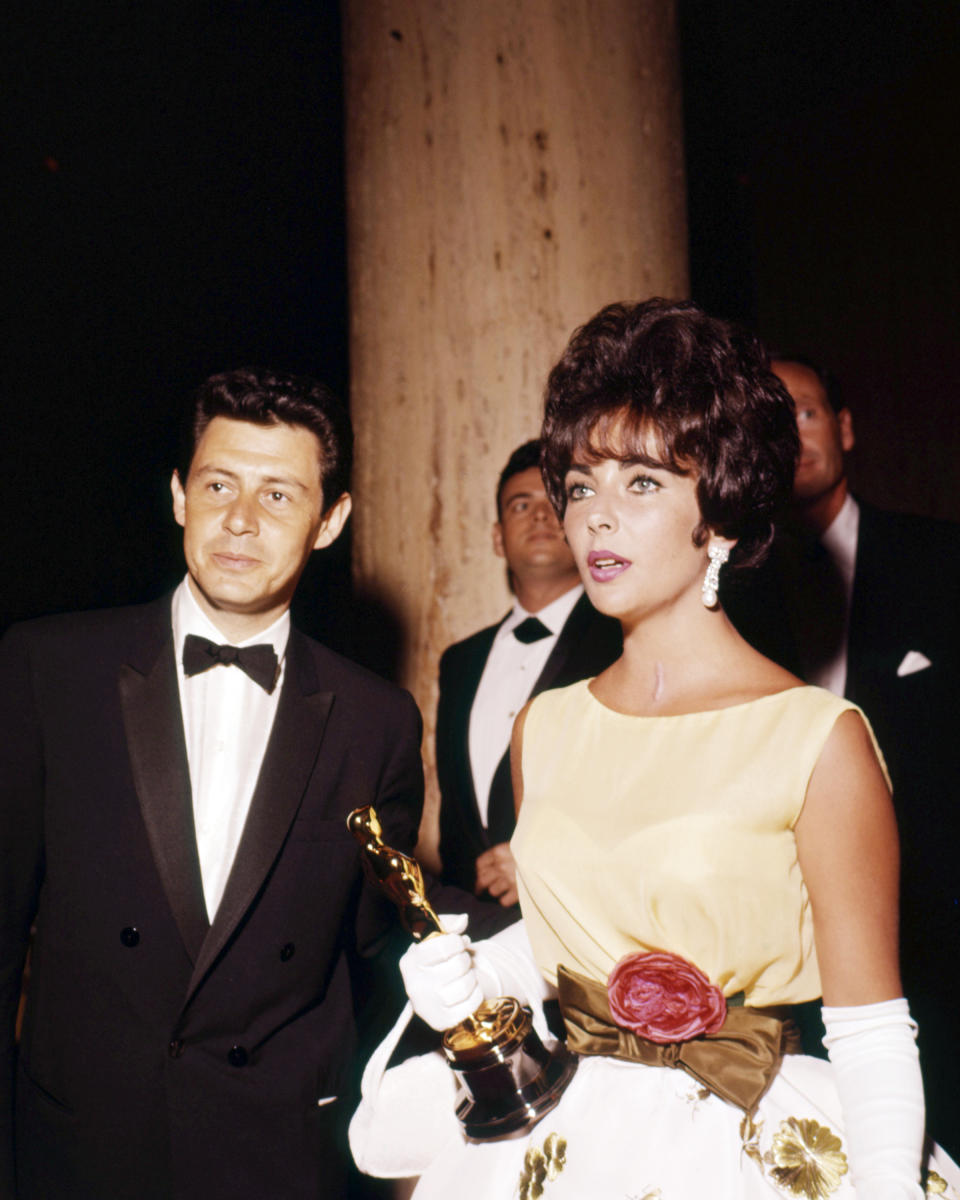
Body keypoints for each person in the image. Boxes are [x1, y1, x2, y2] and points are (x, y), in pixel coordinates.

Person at [353, 302, 960, 1198]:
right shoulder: (547, 726)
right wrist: (478, 973)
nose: (595, 517)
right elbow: (578, 932)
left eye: (642, 484)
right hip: (571, 1144)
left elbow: (871, 1028)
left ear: (719, 513)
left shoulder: (815, 738)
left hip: (752, 1141)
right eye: (583, 482)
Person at [0, 368, 423, 1199]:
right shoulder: (50, 669)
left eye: (277, 496)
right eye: (219, 484)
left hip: (276, 1156)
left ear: (330, 521)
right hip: (79, 1148)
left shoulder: (378, 719)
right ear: (178, 496)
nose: (239, 520)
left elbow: (384, 943)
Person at [723, 356, 960, 1153]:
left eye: (807, 414)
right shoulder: (727, 594)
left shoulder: (941, 560)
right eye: (766, 424)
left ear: (846, 428)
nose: (790, 437)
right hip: (787, 956)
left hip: (940, 930)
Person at [435, 440, 620, 921]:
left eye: (553, 504)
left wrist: (550, 867)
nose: (539, 517)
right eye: (521, 505)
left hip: (584, 926)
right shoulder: (459, 661)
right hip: (473, 936)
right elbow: (455, 820)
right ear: (498, 538)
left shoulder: (626, 641)